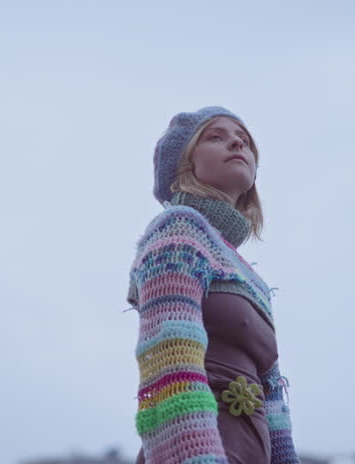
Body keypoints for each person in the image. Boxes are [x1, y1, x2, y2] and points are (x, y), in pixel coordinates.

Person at [127, 106, 301, 464]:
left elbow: (272, 400)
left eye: (245, 140)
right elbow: (169, 359)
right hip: (195, 451)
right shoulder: (178, 231)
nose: (237, 142)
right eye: (215, 136)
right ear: (185, 164)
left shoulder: (250, 277)